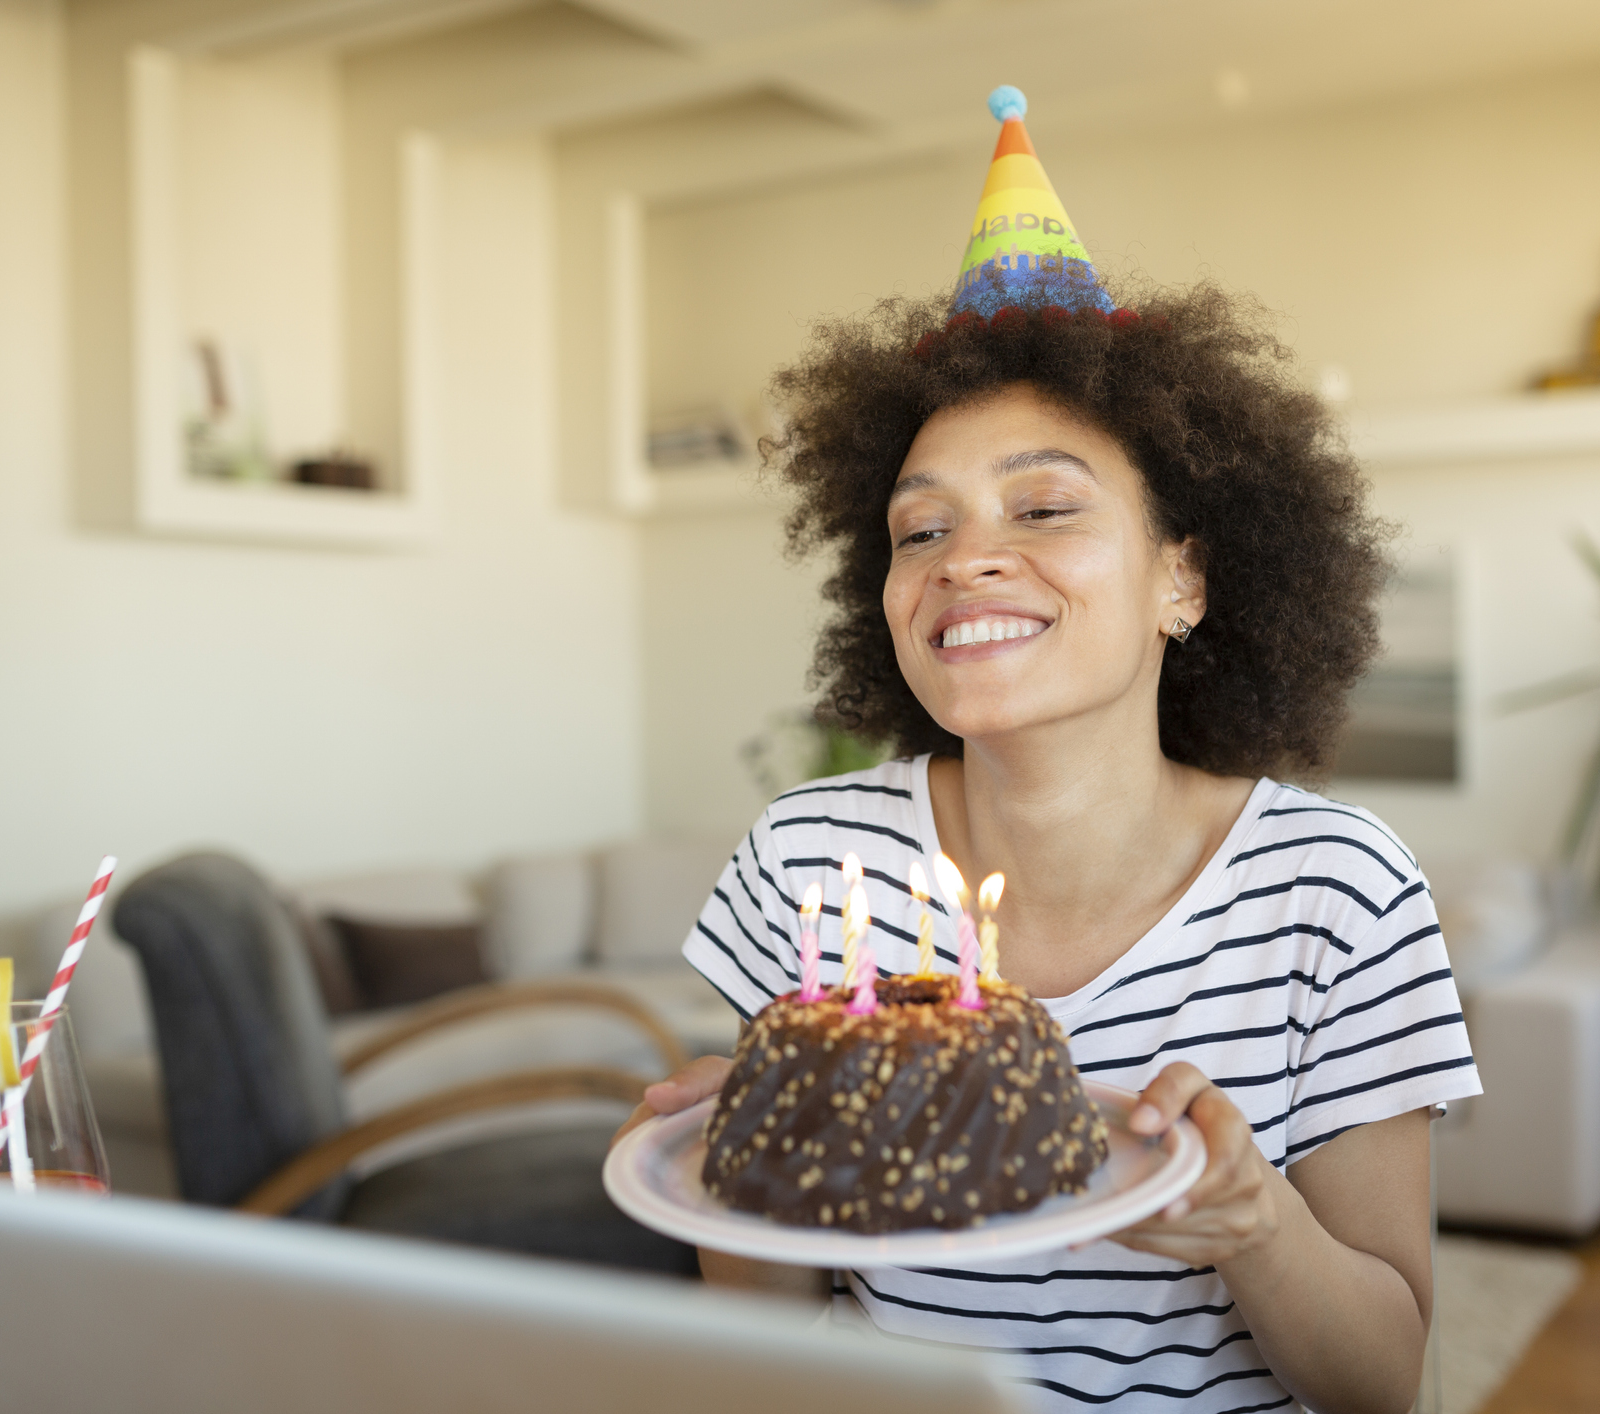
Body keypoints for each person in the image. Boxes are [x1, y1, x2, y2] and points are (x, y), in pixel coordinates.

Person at [615, 89, 1479, 1414]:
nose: (965, 557)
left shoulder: (1335, 891)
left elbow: (1381, 1383)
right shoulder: (809, 861)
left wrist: (1251, 1217)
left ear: (1180, 578)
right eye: (918, 528)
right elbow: (771, 1349)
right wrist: (752, 1169)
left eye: (1042, 505)